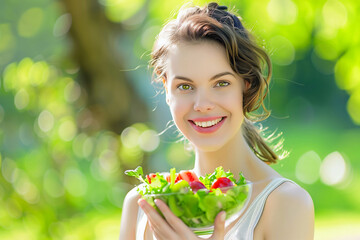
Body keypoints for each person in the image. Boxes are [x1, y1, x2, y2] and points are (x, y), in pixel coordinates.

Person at [119, 2, 314, 240]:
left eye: (221, 83)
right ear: (166, 91)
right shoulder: (141, 206)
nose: (202, 104)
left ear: (246, 85)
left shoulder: (285, 203)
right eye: (185, 86)